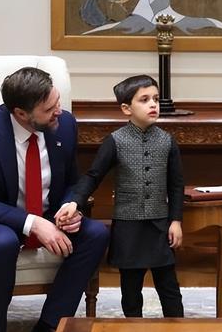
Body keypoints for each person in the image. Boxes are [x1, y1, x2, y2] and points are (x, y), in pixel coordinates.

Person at [0, 67, 109, 332]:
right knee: (3, 242)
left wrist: (70, 206)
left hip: (47, 213)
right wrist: (33, 223)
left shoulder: (65, 125)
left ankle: (49, 326)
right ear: (21, 113)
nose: (59, 111)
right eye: (49, 109)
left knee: (96, 234)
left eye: (58, 102)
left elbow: (72, 181)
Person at [56, 74, 185, 318]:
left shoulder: (167, 141)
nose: (153, 104)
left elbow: (176, 185)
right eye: (144, 100)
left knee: (169, 285)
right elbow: (93, 175)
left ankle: (178, 330)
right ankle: (132, 330)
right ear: (126, 108)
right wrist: (75, 201)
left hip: (159, 224)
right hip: (128, 226)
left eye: (156, 99)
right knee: (131, 288)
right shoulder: (115, 141)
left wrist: (176, 221)